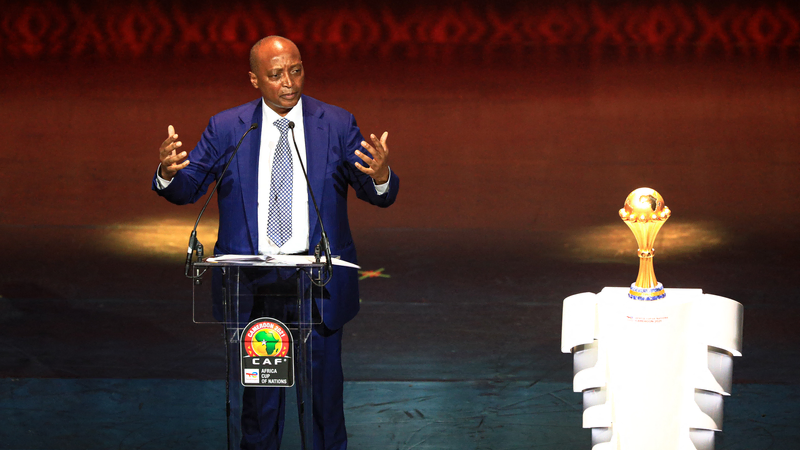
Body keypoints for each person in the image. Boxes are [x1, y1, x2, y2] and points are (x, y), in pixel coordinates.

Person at [152, 36, 399, 450]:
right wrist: (167, 172)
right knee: (259, 413)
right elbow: (187, 188)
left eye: (296, 70)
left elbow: (376, 194)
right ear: (254, 79)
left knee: (324, 408)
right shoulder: (228, 127)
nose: (289, 82)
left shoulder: (336, 123)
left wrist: (380, 175)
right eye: (276, 74)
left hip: (316, 287)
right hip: (253, 289)